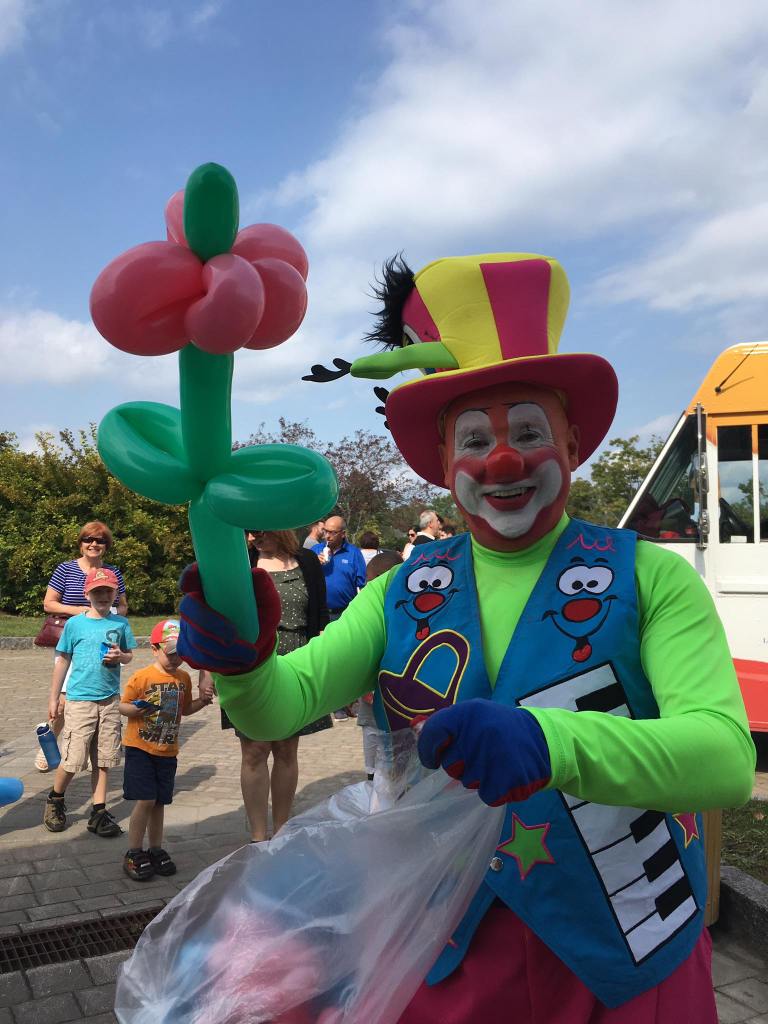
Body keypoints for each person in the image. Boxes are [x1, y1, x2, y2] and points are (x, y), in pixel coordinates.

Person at [179, 252, 755, 1022]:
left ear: (573, 445)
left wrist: (552, 742)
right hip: (442, 951)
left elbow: (725, 759)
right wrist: (242, 659)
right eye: (475, 441)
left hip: (625, 955)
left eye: (528, 432)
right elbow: (278, 708)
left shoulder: (651, 576)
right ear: (446, 463)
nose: (502, 460)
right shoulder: (400, 589)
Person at [219, 529, 333, 842]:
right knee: (254, 750)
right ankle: (258, 838)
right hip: (252, 663)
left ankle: (282, 832)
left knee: (286, 749)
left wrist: (322, 662)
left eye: (258, 529)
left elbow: (320, 618)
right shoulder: (242, 561)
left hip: (297, 661)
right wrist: (210, 668)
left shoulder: (307, 561)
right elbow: (223, 614)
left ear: (278, 526)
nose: (252, 537)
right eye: (248, 531)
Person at [43, 567, 136, 836]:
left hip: (110, 701)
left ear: (115, 594)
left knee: (104, 758)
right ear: (87, 594)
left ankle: (98, 812)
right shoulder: (75, 624)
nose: (103, 596)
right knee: (73, 758)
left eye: (108, 591)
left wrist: (121, 656)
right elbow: (63, 660)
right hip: (80, 700)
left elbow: (129, 655)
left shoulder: (120, 624)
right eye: (97, 591)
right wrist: (54, 698)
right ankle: (55, 799)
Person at [120, 619, 212, 880]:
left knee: (160, 802)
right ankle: (134, 851)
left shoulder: (183, 678)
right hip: (140, 747)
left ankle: (155, 848)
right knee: (146, 799)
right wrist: (135, 709)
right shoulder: (142, 677)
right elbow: (123, 705)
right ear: (154, 649)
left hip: (167, 750)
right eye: (170, 653)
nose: (175, 659)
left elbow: (185, 709)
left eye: (180, 653)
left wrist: (202, 702)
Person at [37, 521, 128, 772]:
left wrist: (108, 614)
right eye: (89, 539)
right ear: (81, 543)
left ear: (106, 545)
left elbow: (123, 606)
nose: (94, 544)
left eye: (100, 540)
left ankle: (86, 747)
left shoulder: (113, 572)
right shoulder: (65, 569)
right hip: (73, 640)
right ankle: (49, 745)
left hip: (103, 642)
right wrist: (80, 611)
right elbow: (49, 603)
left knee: (98, 697)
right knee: (65, 700)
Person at [313, 515, 367, 720]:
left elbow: (363, 584)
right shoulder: (315, 551)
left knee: (342, 658)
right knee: (322, 658)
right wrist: (314, 565)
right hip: (319, 614)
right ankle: (322, 702)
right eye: (325, 531)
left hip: (344, 613)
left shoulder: (353, 554)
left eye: (332, 532)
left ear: (343, 533)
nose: (327, 535)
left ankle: (342, 703)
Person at [356, 550, 403, 779]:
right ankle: (374, 775)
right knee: (374, 734)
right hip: (379, 693)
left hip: (387, 689)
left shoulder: (383, 611)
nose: (366, 586)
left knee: (379, 737)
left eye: (369, 581)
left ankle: (378, 776)